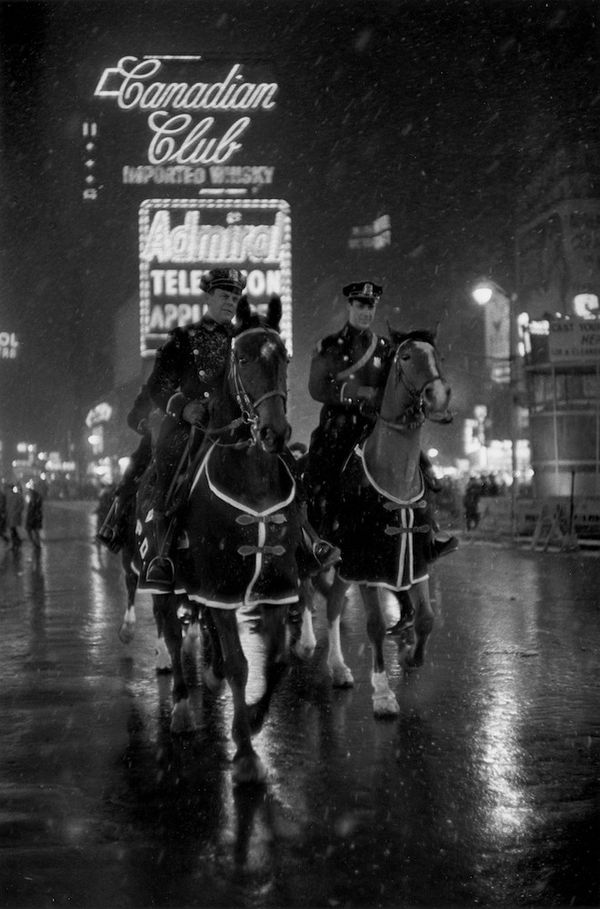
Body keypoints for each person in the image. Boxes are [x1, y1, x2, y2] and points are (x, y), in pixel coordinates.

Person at [304, 280, 457, 561]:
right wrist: (356, 393)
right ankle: (318, 539)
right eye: (361, 305)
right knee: (319, 475)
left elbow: (400, 384)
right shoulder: (328, 346)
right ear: (350, 306)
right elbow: (317, 388)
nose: (366, 312)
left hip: (375, 426)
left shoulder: (385, 348)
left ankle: (429, 533)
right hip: (339, 427)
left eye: (370, 306)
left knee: (421, 469)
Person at [96, 383, 159, 553]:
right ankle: (116, 526)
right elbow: (133, 417)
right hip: (156, 441)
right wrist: (147, 424)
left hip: (200, 431)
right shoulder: (156, 384)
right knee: (131, 477)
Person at [25, 479, 44, 549]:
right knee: (35, 531)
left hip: (33, 516)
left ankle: (35, 544)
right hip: (35, 516)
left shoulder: (34, 496)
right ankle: (36, 544)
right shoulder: (37, 496)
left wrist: (31, 514)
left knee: (31, 530)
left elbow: (33, 507)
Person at [6, 481, 24, 550]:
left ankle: (16, 543)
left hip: (14, 515)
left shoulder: (16, 496)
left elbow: (21, 505)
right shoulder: (10, 496)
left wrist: (17, 512)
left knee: (13, 529)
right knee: (13, 529)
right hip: (11, 515)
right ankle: (16, 542)